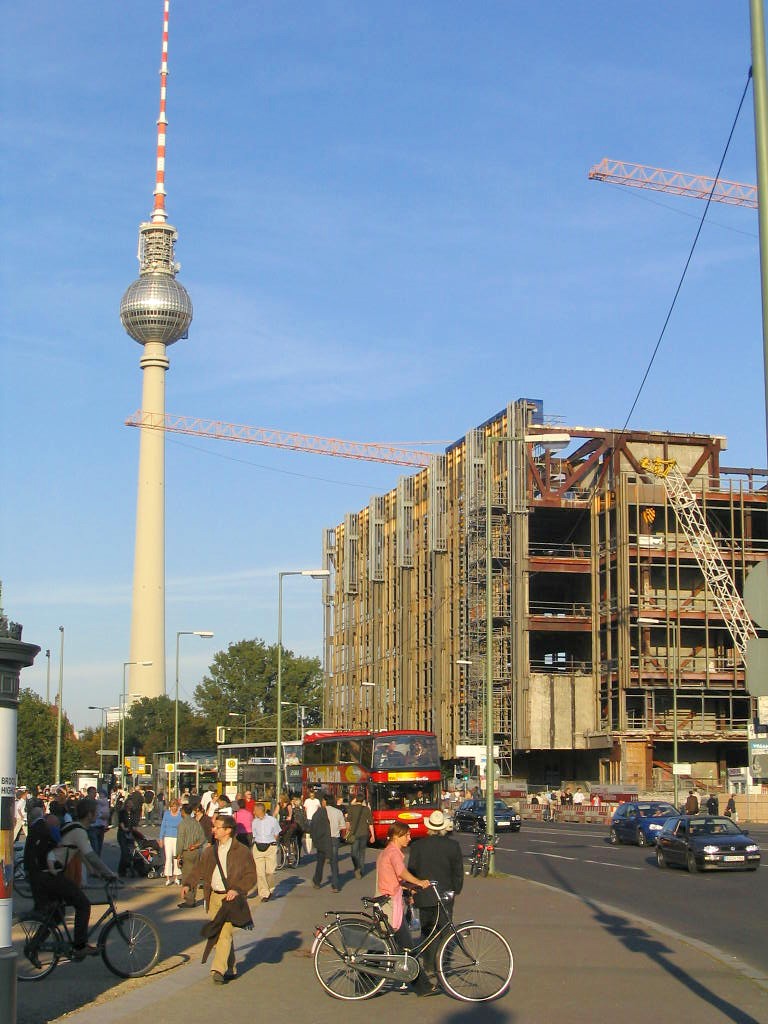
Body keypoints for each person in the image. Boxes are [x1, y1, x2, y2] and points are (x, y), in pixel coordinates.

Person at [36, 798, 118, 960]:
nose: (99, 815)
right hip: (53, 875)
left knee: (57, 914)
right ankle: (80, 946)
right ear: (89, 815)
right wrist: (109, 872)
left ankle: (36, 943)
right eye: (96, 813)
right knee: (83, 905)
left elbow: (79, 853)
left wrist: (93, 871)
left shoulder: (74, 827)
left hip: (48, 874)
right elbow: (91, 855)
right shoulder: (79, 831)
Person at [181, 813, 258, 984]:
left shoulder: (242, 852)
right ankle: (230, 967)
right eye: (213, 827)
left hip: (231, 899)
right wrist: (188, 884)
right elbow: (199, 870)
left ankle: (218, 969)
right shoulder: (211, 851)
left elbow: (251, 876)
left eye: (217, 827)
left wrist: (237, 890)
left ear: (228, 830)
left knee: (223, 934)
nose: (213, 830)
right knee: (219, 932)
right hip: (214, 897)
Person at [407, 810, 464, 995]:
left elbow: (412, 870)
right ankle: (443, 963)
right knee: (445, 930)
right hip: (445, 894)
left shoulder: (417, 846)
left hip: (424, 894)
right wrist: (456, 889)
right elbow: (457, 871)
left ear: (429, 827)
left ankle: (429, 963)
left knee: (427, 929)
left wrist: (412, 890)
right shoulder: (453, 846)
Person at [375, 822, 430, 948]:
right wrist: (418, 882)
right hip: (390, 903)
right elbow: (401, 872)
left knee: (386, 942)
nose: (409, 838)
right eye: (406, 835)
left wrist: (410, 887)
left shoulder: (386, 851)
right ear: (396, 836)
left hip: (386, 899)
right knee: (406, 946)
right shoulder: (393, 853)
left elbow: (394, 878)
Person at [176, 802, 207, 908]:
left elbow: (180, 841)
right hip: (196, 851)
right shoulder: (196, 823)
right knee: (194, 875)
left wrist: (178, 855)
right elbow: (203, 838)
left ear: (183, 812)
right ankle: (192, 897)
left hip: (187, 852)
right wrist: (196, 845)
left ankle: (189, 900)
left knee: (187, 876)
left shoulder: (182, 824)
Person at [251, 801, 281, 901]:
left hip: (270, 847)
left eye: (255, 810)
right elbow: (254, 835)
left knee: (270, 872)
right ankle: (264, 894)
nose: (253, 812)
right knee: (260, 873)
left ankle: (270, 889)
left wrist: (273, 844)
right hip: (258, 847)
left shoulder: (272, 820)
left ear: (260, 810)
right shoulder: (254, 822)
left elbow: (276, 833)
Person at [346, 793, 375, 879]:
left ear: (356, 799)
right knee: (362, 852)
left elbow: (348, 822)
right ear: (363, 800)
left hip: (354, 834)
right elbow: (370, 823)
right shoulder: (366, 809)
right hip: (364, 833)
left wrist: (347, 831)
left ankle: (357, 867)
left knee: (353, 853)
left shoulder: (351, 808)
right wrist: (373, 835)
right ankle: (361, 870)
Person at [158, 798, 183, 885]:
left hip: (177, 838)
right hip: (168, 837)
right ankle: (168, 878)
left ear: (178, 806)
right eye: (172, 806)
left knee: (176, 857)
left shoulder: (180, 815)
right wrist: (161, 838)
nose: (173, 808)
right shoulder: (167, 814)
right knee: (168, 858)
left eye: (175, 806)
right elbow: (163, 826)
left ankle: (176, 877)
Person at [303, 788, 321, 854]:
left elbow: (319, 808)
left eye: (312, 795)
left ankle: (314, 843)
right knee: (309, 832)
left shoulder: (317, 801)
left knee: (315, 831)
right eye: (311, 795)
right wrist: (305, 816)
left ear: (314, 795)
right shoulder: (307, 801)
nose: (312, 796)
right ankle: (310, 844)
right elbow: (305, 809)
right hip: (309, 818)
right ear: (309, 795)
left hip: (315, 818)